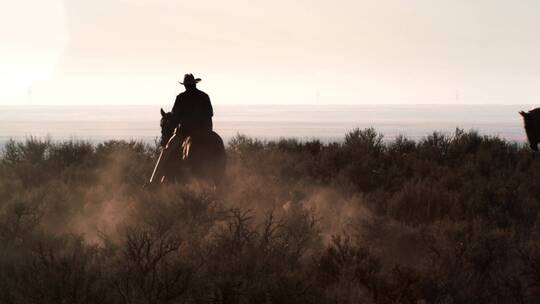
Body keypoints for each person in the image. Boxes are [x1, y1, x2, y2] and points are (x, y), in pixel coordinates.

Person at [149, 74, 214, 184]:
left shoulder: (181, 98)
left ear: (185, 86)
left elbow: (175, 118)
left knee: (166, 150)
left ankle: (152, 181)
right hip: (205, 131)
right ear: (194, 84)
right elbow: (210, 114)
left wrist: (174, 125)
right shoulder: (204, 96)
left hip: (185, 131)